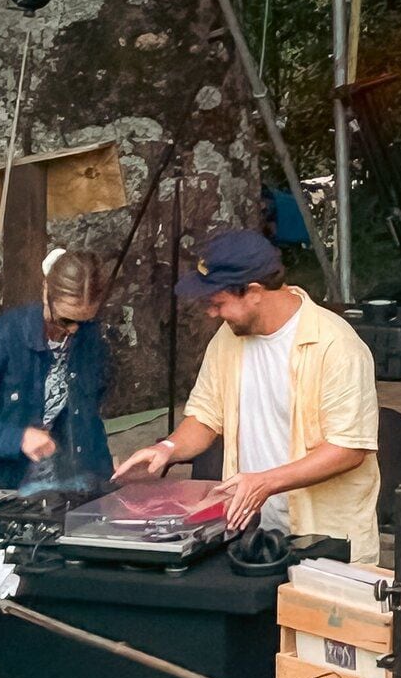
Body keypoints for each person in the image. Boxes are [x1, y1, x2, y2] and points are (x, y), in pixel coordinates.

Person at [112, 231, 382, 563]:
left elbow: (348, 449)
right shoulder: (227, 339)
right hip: (253, 533)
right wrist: (166, 449)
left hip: (326, 539)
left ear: (253, 292)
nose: (211, 313)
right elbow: (205, 417)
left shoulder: (337, 346)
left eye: (218, 302)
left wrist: (265, 482)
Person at [0, 249, 112, 492]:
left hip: (48, 482)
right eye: (65, 320)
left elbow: (87, 419)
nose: (74, 329)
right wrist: (18, 438)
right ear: (46, 293)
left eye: (84, 321)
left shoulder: (88, 337)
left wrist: (105, 482)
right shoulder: (3, 338)